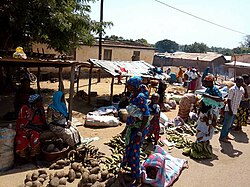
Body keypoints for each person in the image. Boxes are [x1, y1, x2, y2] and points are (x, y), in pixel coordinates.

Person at [121, 76, 150, 186]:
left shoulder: (140, 97)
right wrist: (125, 129)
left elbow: (146, 116)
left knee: (134, 151)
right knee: (128, 147)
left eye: (128, 85)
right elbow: (132, 115)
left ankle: (137, 178)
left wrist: (139, 132)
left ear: (134, 86)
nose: (126, 87)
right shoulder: (133, 96)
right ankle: (131, 170)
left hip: (139, 128)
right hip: (132, 126)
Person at [15, 94, 47, 165]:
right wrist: (34, 128)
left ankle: (34, 157)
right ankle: (23, 158)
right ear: (35, 102)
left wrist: (44, 126)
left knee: (35, 136)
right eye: (40, 101)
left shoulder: (40, 108)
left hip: (36, 128)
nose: (42, 102)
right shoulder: (24, 109)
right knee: (22, 138)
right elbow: (22, 123)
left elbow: (43, 121)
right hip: (24, 128)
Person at [219, 76, 247, 142]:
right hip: (230, 109)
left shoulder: (241, 89)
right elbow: (228, 100)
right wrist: (230, 110)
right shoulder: (232, 89)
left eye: (242, 82)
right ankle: (222, 137)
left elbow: (246, 96)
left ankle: (226, 135)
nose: (241, 83)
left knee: (230, 124)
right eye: (239, 81)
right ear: (236, 82)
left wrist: (245, 88)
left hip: (235, 109)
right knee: (226, 124)